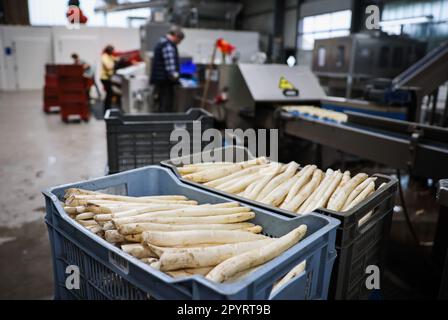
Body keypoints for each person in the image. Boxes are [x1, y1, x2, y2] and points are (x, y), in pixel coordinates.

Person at [150, 25, 185, 113]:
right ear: (176, 36)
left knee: (161, 105)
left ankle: (162, 125)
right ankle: (165, 126)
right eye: (180, 40)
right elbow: (171, 70)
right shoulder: (168, 45)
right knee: (166, 107)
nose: (179, 43)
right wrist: (178, 79)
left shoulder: (162, 42)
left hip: (160, 81)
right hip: (166, 82)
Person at [100, 45, 116, 113]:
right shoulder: (104, 56)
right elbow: (108, 66)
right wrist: (114, 64)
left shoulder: (109, 56)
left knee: (110, 94)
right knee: (109, 93)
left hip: (108, 78)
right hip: (105, 78)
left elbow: (115, 59)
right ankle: (106, 109)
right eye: (112, 51)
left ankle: (108, 108)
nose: (113, 52)